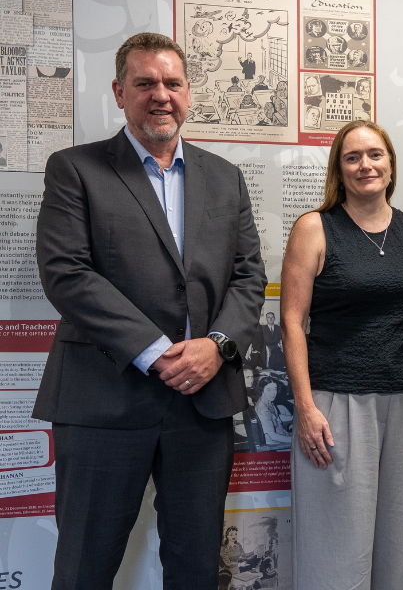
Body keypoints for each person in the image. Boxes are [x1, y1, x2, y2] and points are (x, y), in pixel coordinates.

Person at [34, 32, 266, 588]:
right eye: (145, 83)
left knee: (194, 566)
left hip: (202, 404)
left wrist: (217, 347)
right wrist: (159, 353)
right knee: (85, 567)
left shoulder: (224, 177)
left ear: (188, 92)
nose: (160, 95)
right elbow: (67, 272)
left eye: (172, 83)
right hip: (103, 402)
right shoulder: (75, 169)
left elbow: (248, 275)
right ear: (119, 92)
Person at [282, 120, 403, 589]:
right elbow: (293, 323)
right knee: (336, 550)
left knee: (402, 546)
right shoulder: (315, 228)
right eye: (352, 157)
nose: (365, 165)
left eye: (375, 154)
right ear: (339, 169)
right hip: (336, 404)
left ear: (391, 165)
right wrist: (306, 407)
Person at [254, 377, 291, 445]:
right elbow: (273, 436)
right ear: (262, 390)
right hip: (276, 443)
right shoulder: (263, 410)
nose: (273, 393)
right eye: (268, 390)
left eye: (275, 389)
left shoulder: (268, 401)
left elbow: (277, 417)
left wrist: (294, 418)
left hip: (282, 434)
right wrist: (294, 440)